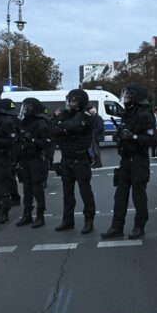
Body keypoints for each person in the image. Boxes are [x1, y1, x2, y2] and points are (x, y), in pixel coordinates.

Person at [101, 83, 156, 240]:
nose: (126, 99)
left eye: (129, 96)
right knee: (120, 195)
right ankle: (116, 226)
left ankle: (139, 226)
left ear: (137, 97)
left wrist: (133, 137)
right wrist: (119, 137)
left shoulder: (145, 115)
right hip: (125, 159)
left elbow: (152, 140)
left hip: (138, 159)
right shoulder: (127, 114)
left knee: (139, 195)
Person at [52, 89, 96, 234]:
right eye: (69, 99)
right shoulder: (65, 114)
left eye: (74, 100)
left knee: (85, 192)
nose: (70, 103)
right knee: (67, 194)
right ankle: (67, 220)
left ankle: (89, 220)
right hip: (66, 159)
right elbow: (52, 128)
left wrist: (63, 128)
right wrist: (63, 128)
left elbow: (74, 126)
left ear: (81, 101)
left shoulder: (86, 116)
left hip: (80, 159)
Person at [15, 97, 51, 228]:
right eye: (24, 107)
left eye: (27, 107)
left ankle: (40, 216)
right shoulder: (23, 122)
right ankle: (27, 215)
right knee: (26, 190)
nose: (24, 110)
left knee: (37, 189)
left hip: (36, 159)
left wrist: (33, 140)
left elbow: (47, 144)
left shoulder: (41, 123)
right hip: (25, 160)